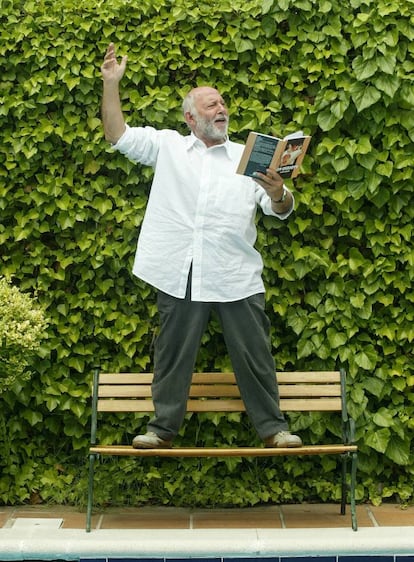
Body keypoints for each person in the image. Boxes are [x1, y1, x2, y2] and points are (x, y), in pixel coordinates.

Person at [101, 43, 302, 450]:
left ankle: (273, 429)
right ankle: (161, 430)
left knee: (254, 356)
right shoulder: (169, 146)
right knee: (172, 355)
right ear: (191, 117)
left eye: (223, 103)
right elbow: (116, 135)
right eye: (211, 105)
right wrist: (111, 85)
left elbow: (278, 209)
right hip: (180, 270)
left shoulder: (247, 159)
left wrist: (280, 192)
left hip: (235, 273)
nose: (221, 109)